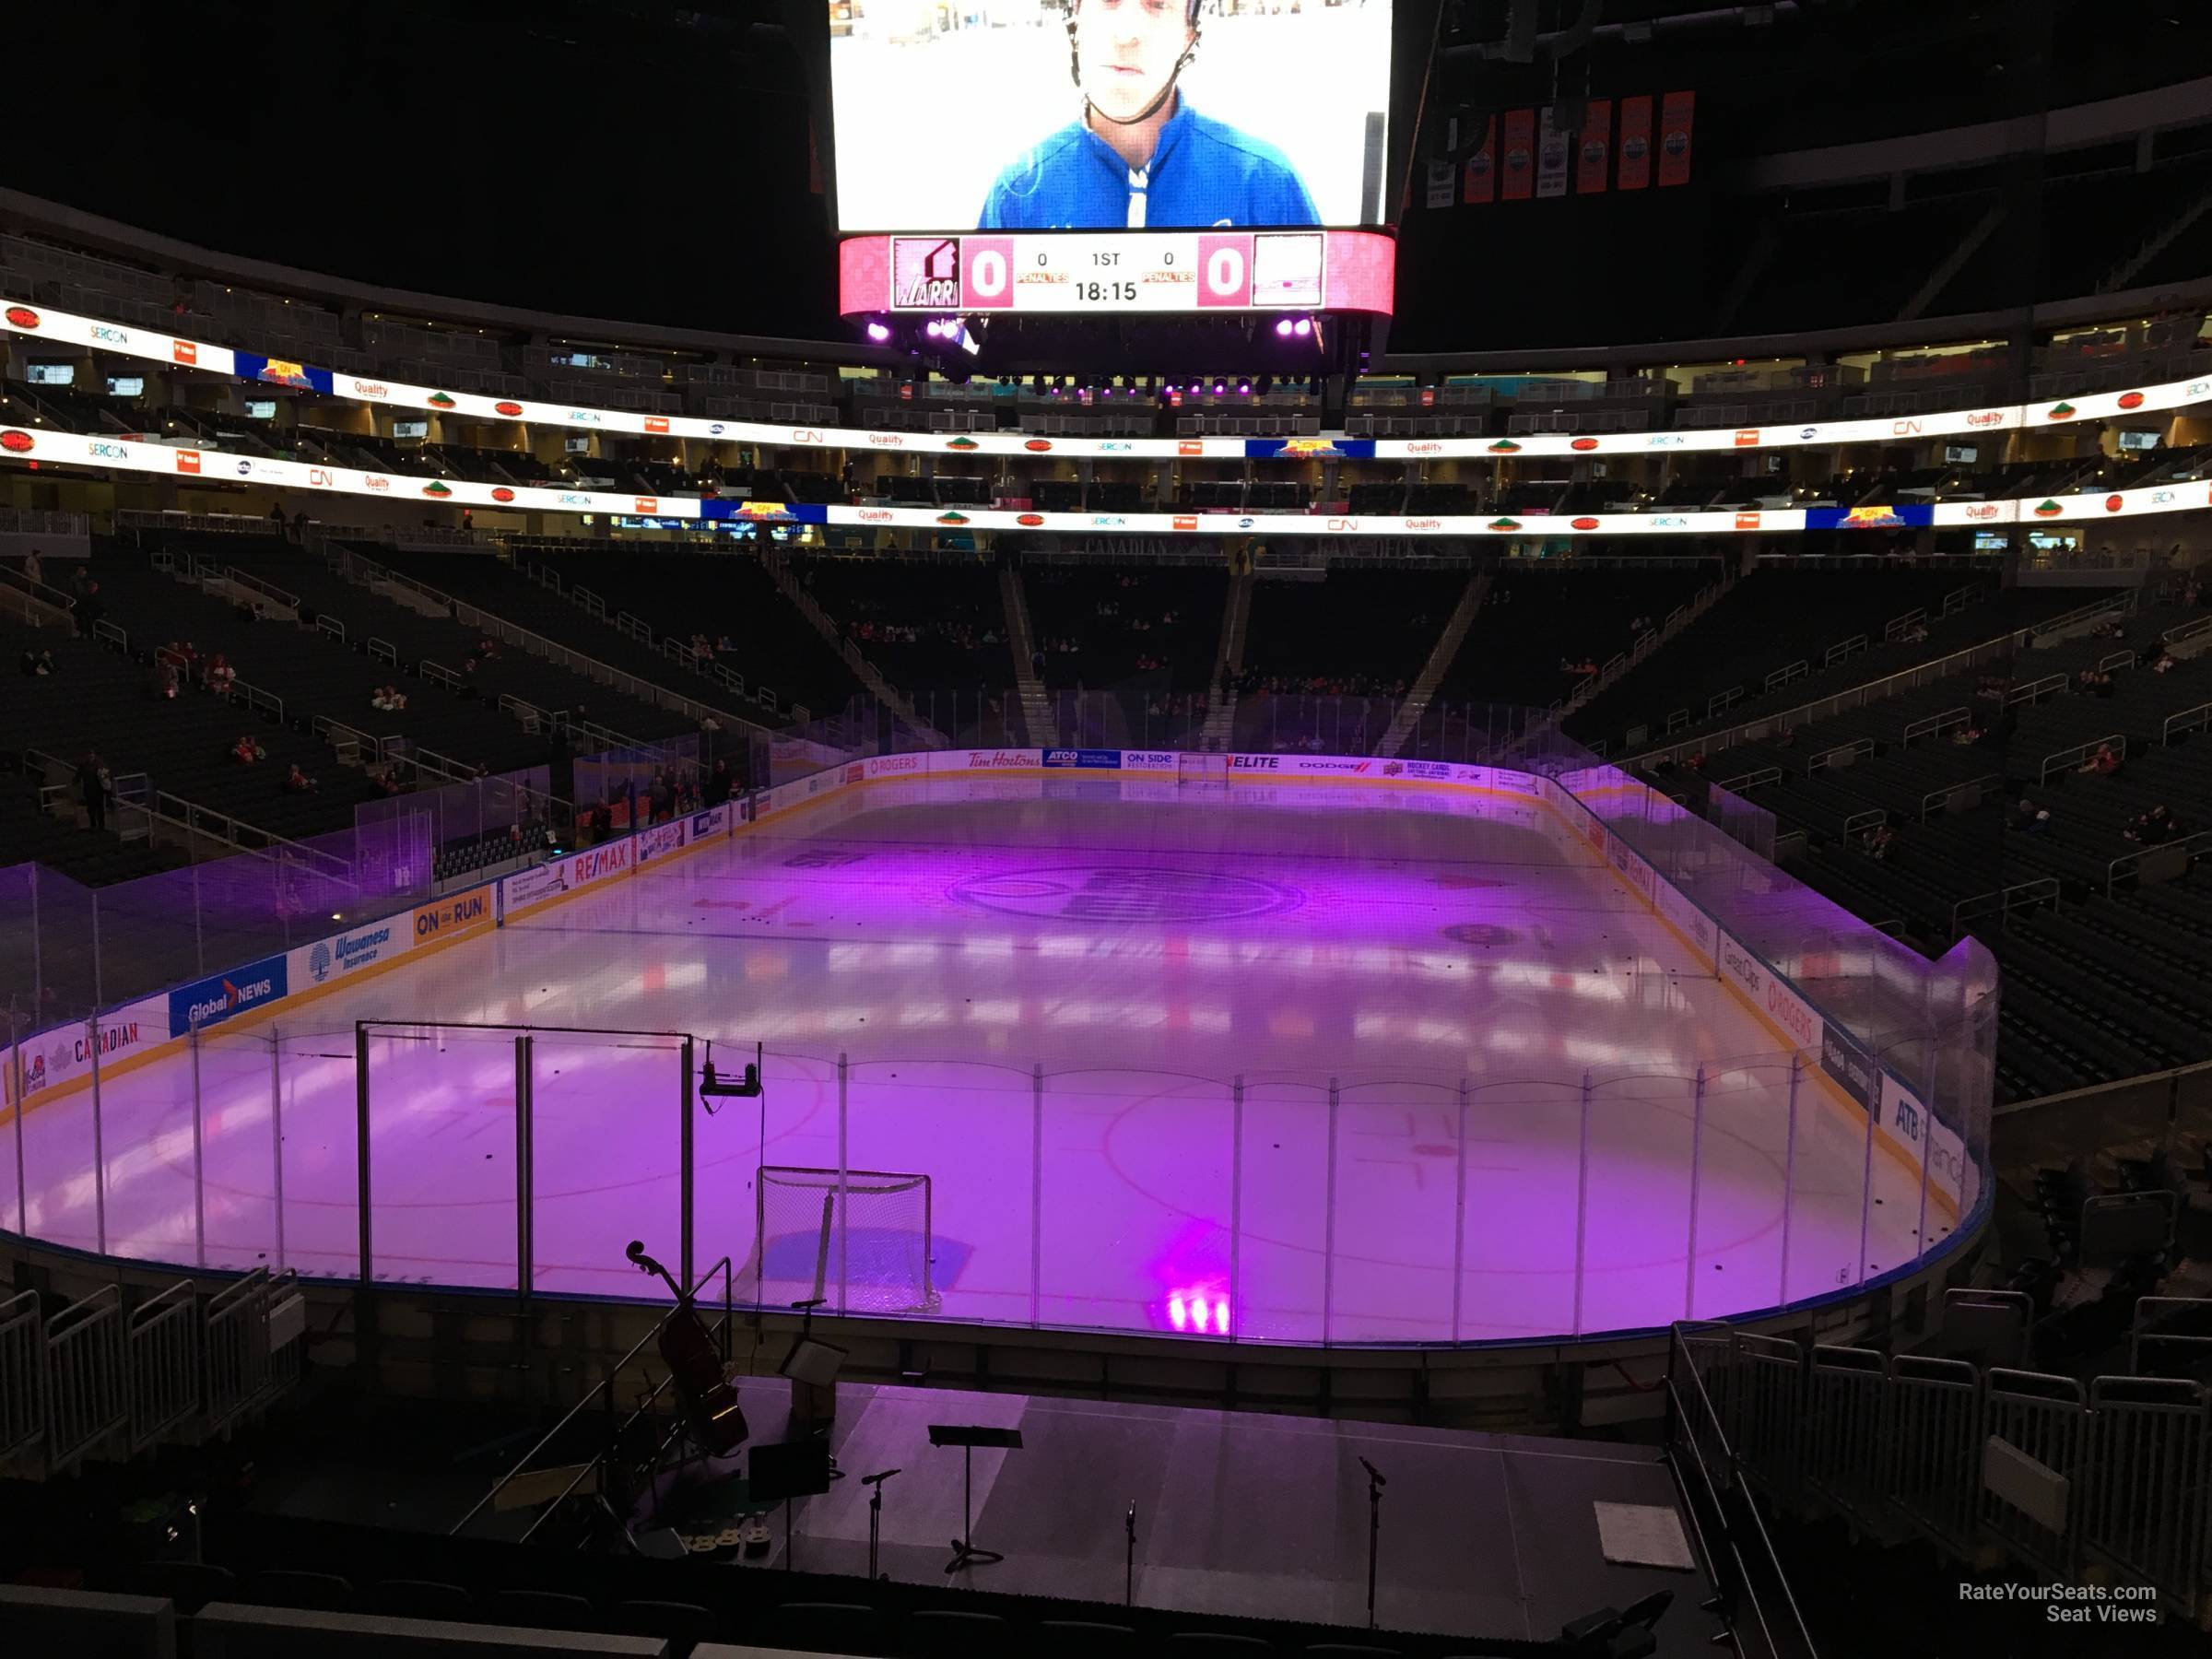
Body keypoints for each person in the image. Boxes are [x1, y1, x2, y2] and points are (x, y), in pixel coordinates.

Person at [976, 0, 1320, 230]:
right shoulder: (1019, 192)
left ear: (1189, 33)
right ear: (1075, 16)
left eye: (1157, 2)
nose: (1126, 34)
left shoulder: (1265, 184)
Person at [78, 751, 110, 832]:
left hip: (98, 791)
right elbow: (78, 775)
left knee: (100, 810)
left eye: (92, 754)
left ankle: (101, 826)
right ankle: (93, 826)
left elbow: (106, 775)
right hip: (89, 791)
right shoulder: (84, 766)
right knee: (91, 810)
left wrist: (104, 777)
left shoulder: (99, 765)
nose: (91, 756)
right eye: (89, 754)